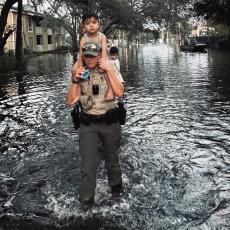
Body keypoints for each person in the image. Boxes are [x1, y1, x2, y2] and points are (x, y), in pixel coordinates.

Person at [66, 41, 125, 205]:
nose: (90, 59)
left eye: (93, 55)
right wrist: (75, 80)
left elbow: (120, 92)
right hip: (88, 125)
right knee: (87, 166)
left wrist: (109, 70)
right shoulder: (80, 72)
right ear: (83, 57)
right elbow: (70, 102)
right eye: (87, 56)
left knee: (112, 161)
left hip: (110, 122)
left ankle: (117, 192)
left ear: (99, 55)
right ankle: (86, 202)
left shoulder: (109, 68)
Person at [71, 12, 114, 106]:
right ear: (84, 26)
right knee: (75, 70)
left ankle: (110, 90)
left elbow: (104, 51)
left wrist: (102, 64)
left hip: (99, 57)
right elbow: (81, 54)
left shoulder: (102, 36)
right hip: (86, 57)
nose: (91, 25)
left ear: (98, 24)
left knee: (107, 70)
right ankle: (78, 94)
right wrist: (80, 67)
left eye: (94, 23)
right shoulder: (84, 38)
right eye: (87, 23)